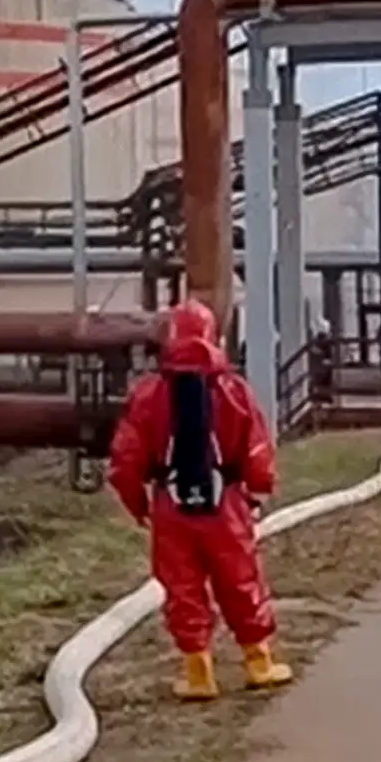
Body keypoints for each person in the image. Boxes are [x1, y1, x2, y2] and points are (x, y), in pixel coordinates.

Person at [108, 299, 292, 700]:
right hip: (225, 502)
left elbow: (124, 461)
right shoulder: (233, 391)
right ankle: (258, 662)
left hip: (170, 506)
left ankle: (198, 673)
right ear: (214, 336)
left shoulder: (148, 394)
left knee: (182, 588)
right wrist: (257, 492)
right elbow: (257, 450)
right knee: (241, 579)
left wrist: (138, 505)